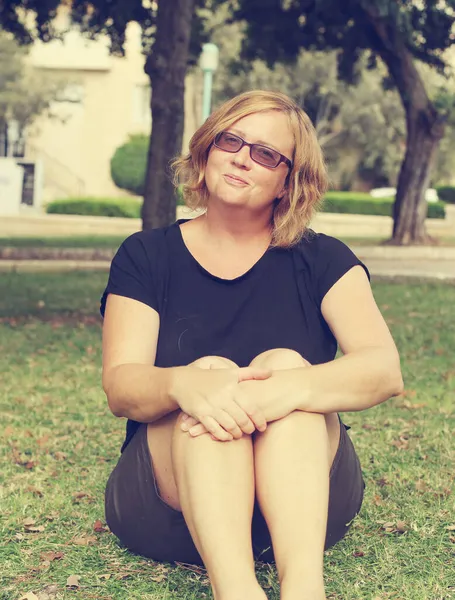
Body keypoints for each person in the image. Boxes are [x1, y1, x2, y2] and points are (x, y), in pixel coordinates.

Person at [100, 90, 403, 600]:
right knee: (212, 371)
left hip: (303, 506)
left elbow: (384, 370)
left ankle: (304, 589)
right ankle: (235, 590)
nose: (242, 157)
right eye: (231, 140)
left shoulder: (324, 260)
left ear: (290, 178)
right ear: (207, 148)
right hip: (170, 506)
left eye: (265, 152)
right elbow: (122, 387)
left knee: (284, 366)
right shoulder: (146, 256)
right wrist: (185, 384)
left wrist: (277, 391)